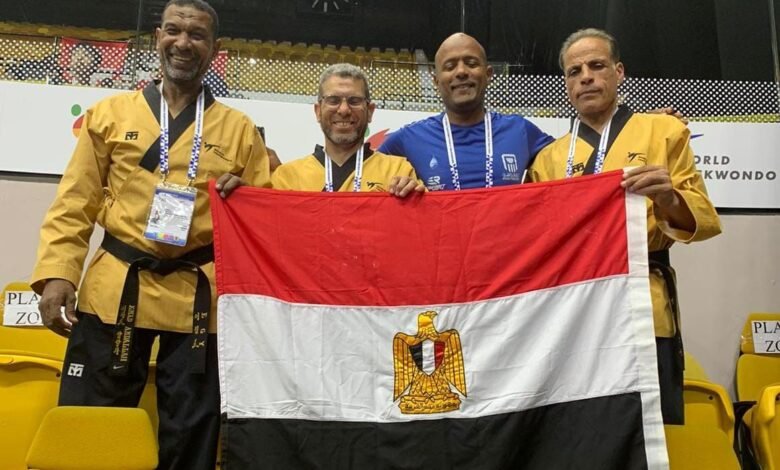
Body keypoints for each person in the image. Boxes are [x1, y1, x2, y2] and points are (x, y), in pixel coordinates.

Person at [31, 1, 270, 469]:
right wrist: (58, 273)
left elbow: (260, 223)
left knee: (192, 434)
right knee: (93, 426)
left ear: (215, 48)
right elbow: (76, 200)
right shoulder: (110, 114)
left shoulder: (239, 129)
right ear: (158, 36)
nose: (184, 43)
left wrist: (244, 197)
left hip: (197, 299)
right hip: (117, 285)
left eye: (197, 35)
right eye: (174, 30)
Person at [527, 28, 722, 424]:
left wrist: (668, 198)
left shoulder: (664, 131)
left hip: (642, 301)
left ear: (618, 72)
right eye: (574, 71)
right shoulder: (548, 159)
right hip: (575, 312)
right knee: (582, 431)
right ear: (566, 83)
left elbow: (702, 218)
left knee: (648, 432)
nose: (586, 77)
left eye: (597, 66)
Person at [382, 33, 554, 193]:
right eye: (450, 67)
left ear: (488, 75)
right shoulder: (408, 138)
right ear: (436, 82)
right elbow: (370, 174)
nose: (461, 72)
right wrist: (399, 184)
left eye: (471, 64)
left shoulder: (520, 130)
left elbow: (566, 167)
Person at [272, 63, 423, 194]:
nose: (344, 110)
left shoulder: (398, 171)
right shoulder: (287, 177)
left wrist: (413, 197)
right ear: (318, 111)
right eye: (333, 100)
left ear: (370, 111)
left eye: (354, 101)